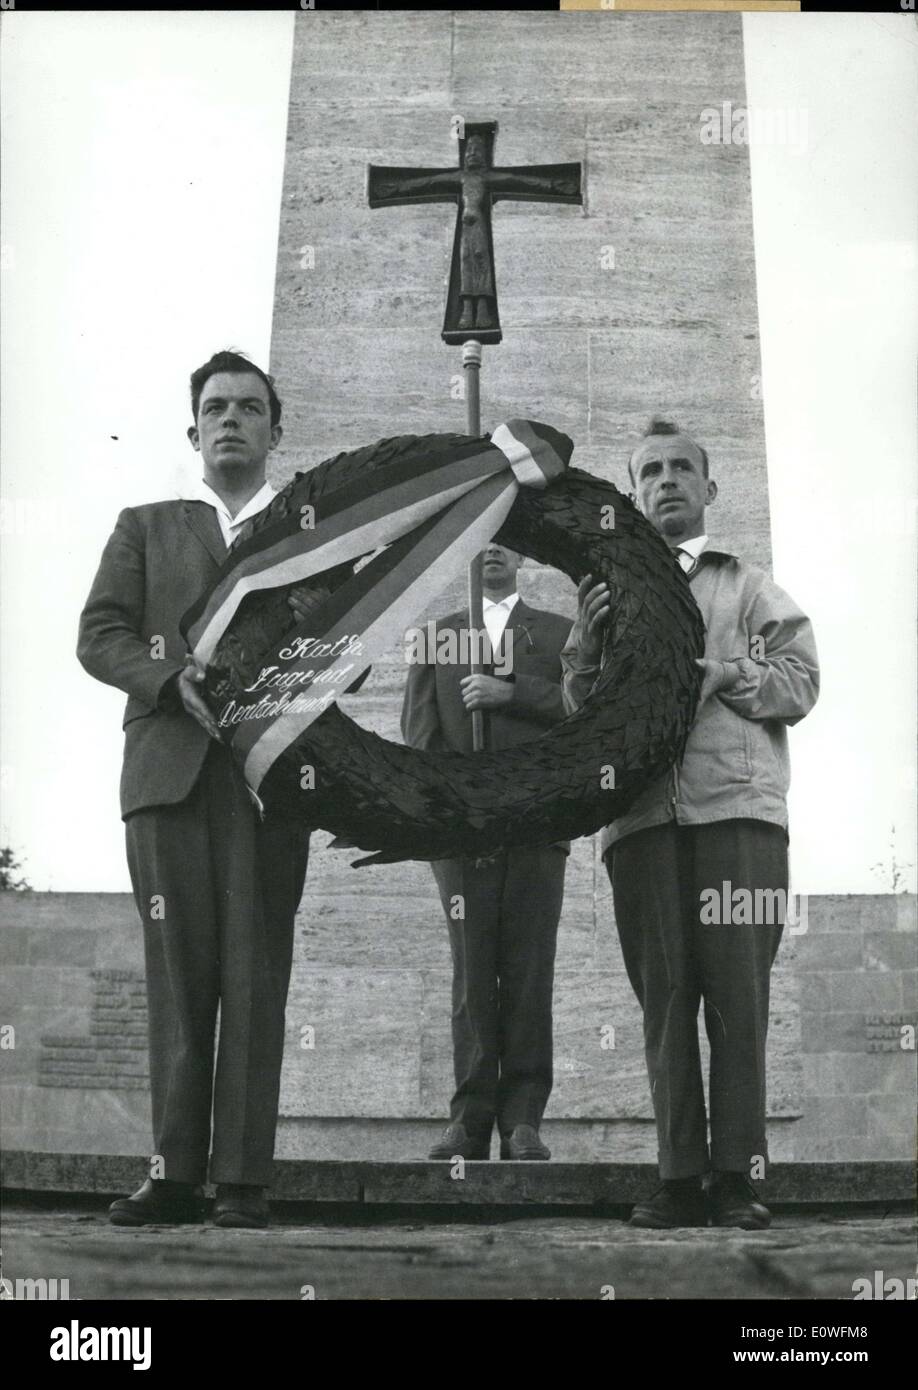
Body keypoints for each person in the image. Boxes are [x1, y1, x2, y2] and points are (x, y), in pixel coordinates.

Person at [562, 419, 819, 1229]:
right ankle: (678, 1177)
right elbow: (580, 718)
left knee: (737, 998)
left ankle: (738, 1180)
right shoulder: (608, 587)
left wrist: (723, 675)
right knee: (664, 1000)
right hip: (641, 824)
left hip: (738, 815)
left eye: (682, 469)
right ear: (632, 495)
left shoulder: (747, 585)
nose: (666, 481)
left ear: (708, 489)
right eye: (650, 472)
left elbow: (801, 680)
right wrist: (587, 648)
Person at [77, 349, 312, 1229]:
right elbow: (98, 635)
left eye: (249, 408)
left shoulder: (306, 532)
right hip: (169, 776)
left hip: (267, 784)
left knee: (255, 974)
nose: (230, 421)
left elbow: (340, 649)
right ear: (193, 430)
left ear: (274, 430)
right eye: (215, 408)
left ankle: (243, 1179)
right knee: (179, 977)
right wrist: (164, 678)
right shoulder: (147, 526)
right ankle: (174, 1173)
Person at [401, 543, 572, 1161]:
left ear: (523, 556)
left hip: (536, 827)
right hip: (462, 833)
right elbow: (419, 737)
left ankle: (523, 1118)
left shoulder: (560, 634)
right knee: (471, 973)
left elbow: (583, 713)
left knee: (529, 972)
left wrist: (512, 692)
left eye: (503, 541)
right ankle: (469, 1119)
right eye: (480, 542)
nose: (492, 552)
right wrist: (458, 808)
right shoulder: (437, 638)